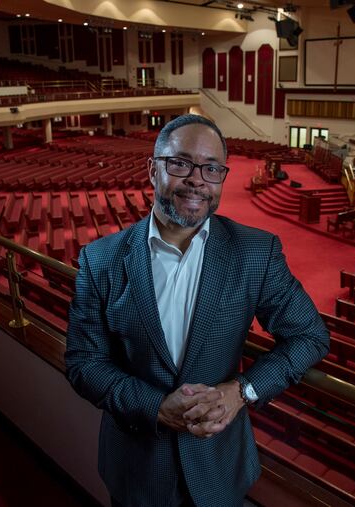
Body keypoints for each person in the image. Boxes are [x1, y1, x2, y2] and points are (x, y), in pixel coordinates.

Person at [65, 114, 329, 507]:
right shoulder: (100, 260)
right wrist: (154, 407)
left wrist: (243, 390)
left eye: (211, 168)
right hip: (138, 466)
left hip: (219, 463)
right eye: (180, 163)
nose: (196, 179)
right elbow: (84, 363)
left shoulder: (256, 252)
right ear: (153, 170)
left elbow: (310, 336)